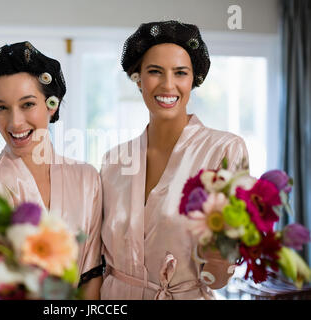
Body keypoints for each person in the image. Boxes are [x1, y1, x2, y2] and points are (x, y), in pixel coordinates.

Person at [100, 21, 249, 299]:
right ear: (138, 79)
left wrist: (218, 255)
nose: (168, 85)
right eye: (154, 72)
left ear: (193, 79)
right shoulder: (113, 161)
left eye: (180, 73)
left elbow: (218, 280)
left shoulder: (225, 150)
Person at [0, 42, 103, 299]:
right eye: (1, 107)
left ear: (52, 105)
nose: (15, 122)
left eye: (27, 104)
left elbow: (91, 273)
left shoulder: (87, 179)